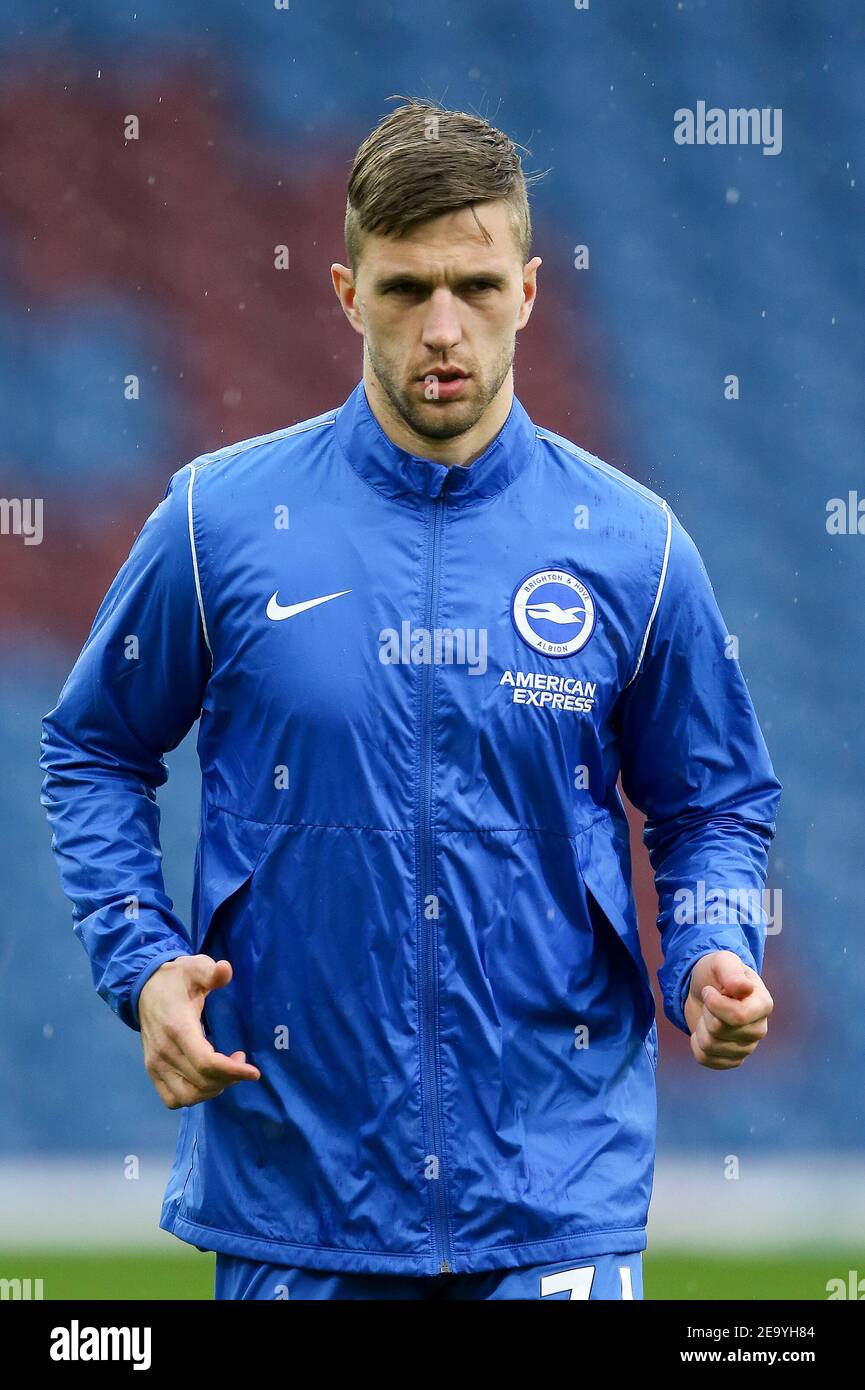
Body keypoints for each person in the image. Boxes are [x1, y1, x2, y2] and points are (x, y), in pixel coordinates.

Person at [40, 99, 781, 1301]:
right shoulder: (216, 521)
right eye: (404, 289)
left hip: (554, 1198)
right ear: (344, 292)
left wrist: (709, 945)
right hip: (299, 1201)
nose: (444, 328)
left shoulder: (633, 548)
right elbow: (92, 750)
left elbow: (716, 801)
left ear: (531, 291)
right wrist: (141, 962)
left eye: (477, 287)